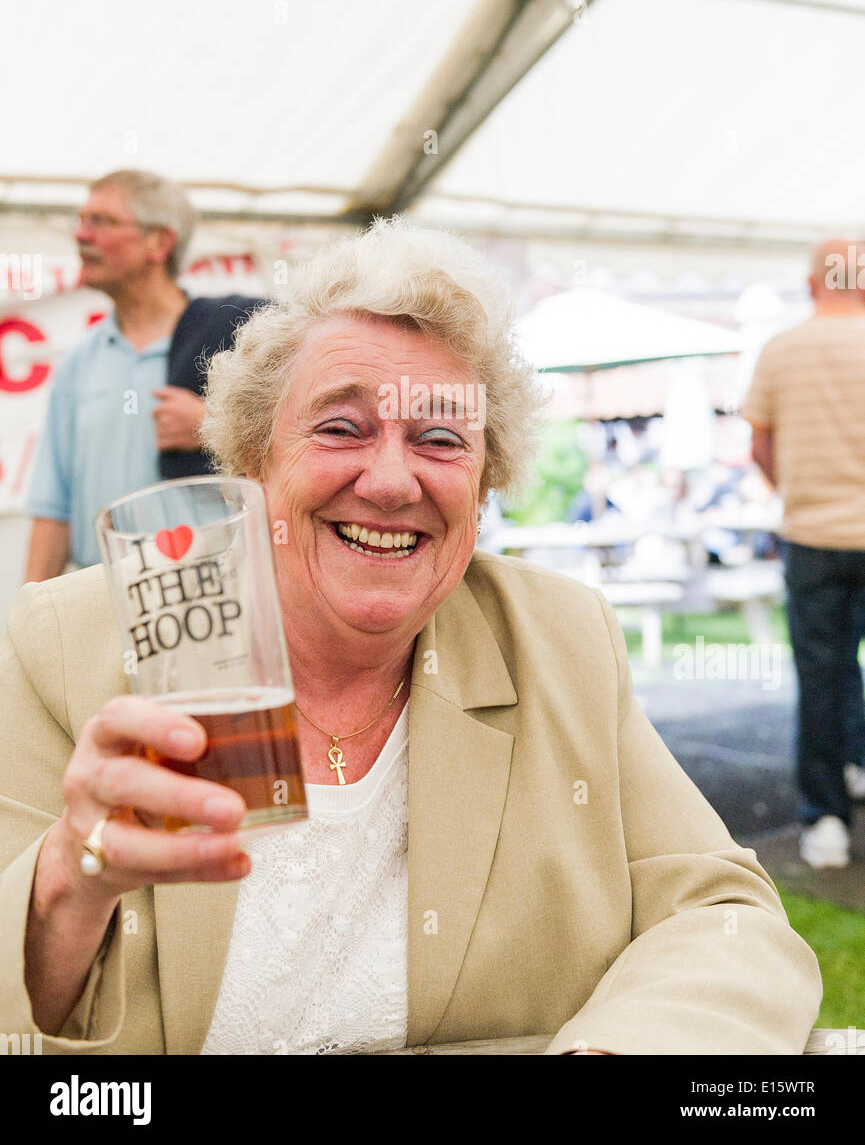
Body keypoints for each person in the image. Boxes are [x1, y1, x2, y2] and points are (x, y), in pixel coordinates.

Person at [0, 219, 820, 1055]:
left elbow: (723, 919)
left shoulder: (559, 641)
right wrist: (68, 878)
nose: (391, 481)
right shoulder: (69, 643)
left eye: (439, 439)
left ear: (484, 484)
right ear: (252, 461)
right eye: (339, 427)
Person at [24, 170, 265, 580]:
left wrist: (214, 428)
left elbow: (300, 449)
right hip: (102, 596)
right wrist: (25, 621)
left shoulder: (235, 339)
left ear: (160, 241)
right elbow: (53, 508)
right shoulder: (78, 362)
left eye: (102, 221)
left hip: (212, 597)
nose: (82, 235)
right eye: (81, 221)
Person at [743, 238, 865, 870]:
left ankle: (827, 823)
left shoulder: (781, 350)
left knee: (822, 674)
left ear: (814, 284)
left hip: (813, 536)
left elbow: (759, 447)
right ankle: (857, 763)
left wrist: (796, 486)